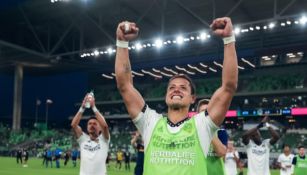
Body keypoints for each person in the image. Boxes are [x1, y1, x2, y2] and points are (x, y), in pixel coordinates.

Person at [115, 17, 238, 175]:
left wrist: (229, 39)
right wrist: (122, 43)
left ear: (193, 98)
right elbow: (124, 86)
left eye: (183, 88)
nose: (176, 90)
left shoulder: (202, 125)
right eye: (171, 87)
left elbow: (229, 87)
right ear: (166, 96)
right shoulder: (150, 122)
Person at [71, 93, 110, 175]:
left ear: (100, 128)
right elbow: (73, 125)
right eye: (90, 124)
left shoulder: (104, 139)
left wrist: (93, 107)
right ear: (87, 127)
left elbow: (105, 126)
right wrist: (82, 108)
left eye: (95, 124)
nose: (92, 125)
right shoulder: (83, 139)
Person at [197, 99, 228, 175]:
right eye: (203, 111)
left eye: (209, 111)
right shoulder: (192, 131)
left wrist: (208, 129)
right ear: (198, 114)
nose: (206, 113)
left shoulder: (221, 131)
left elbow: (221, 152)